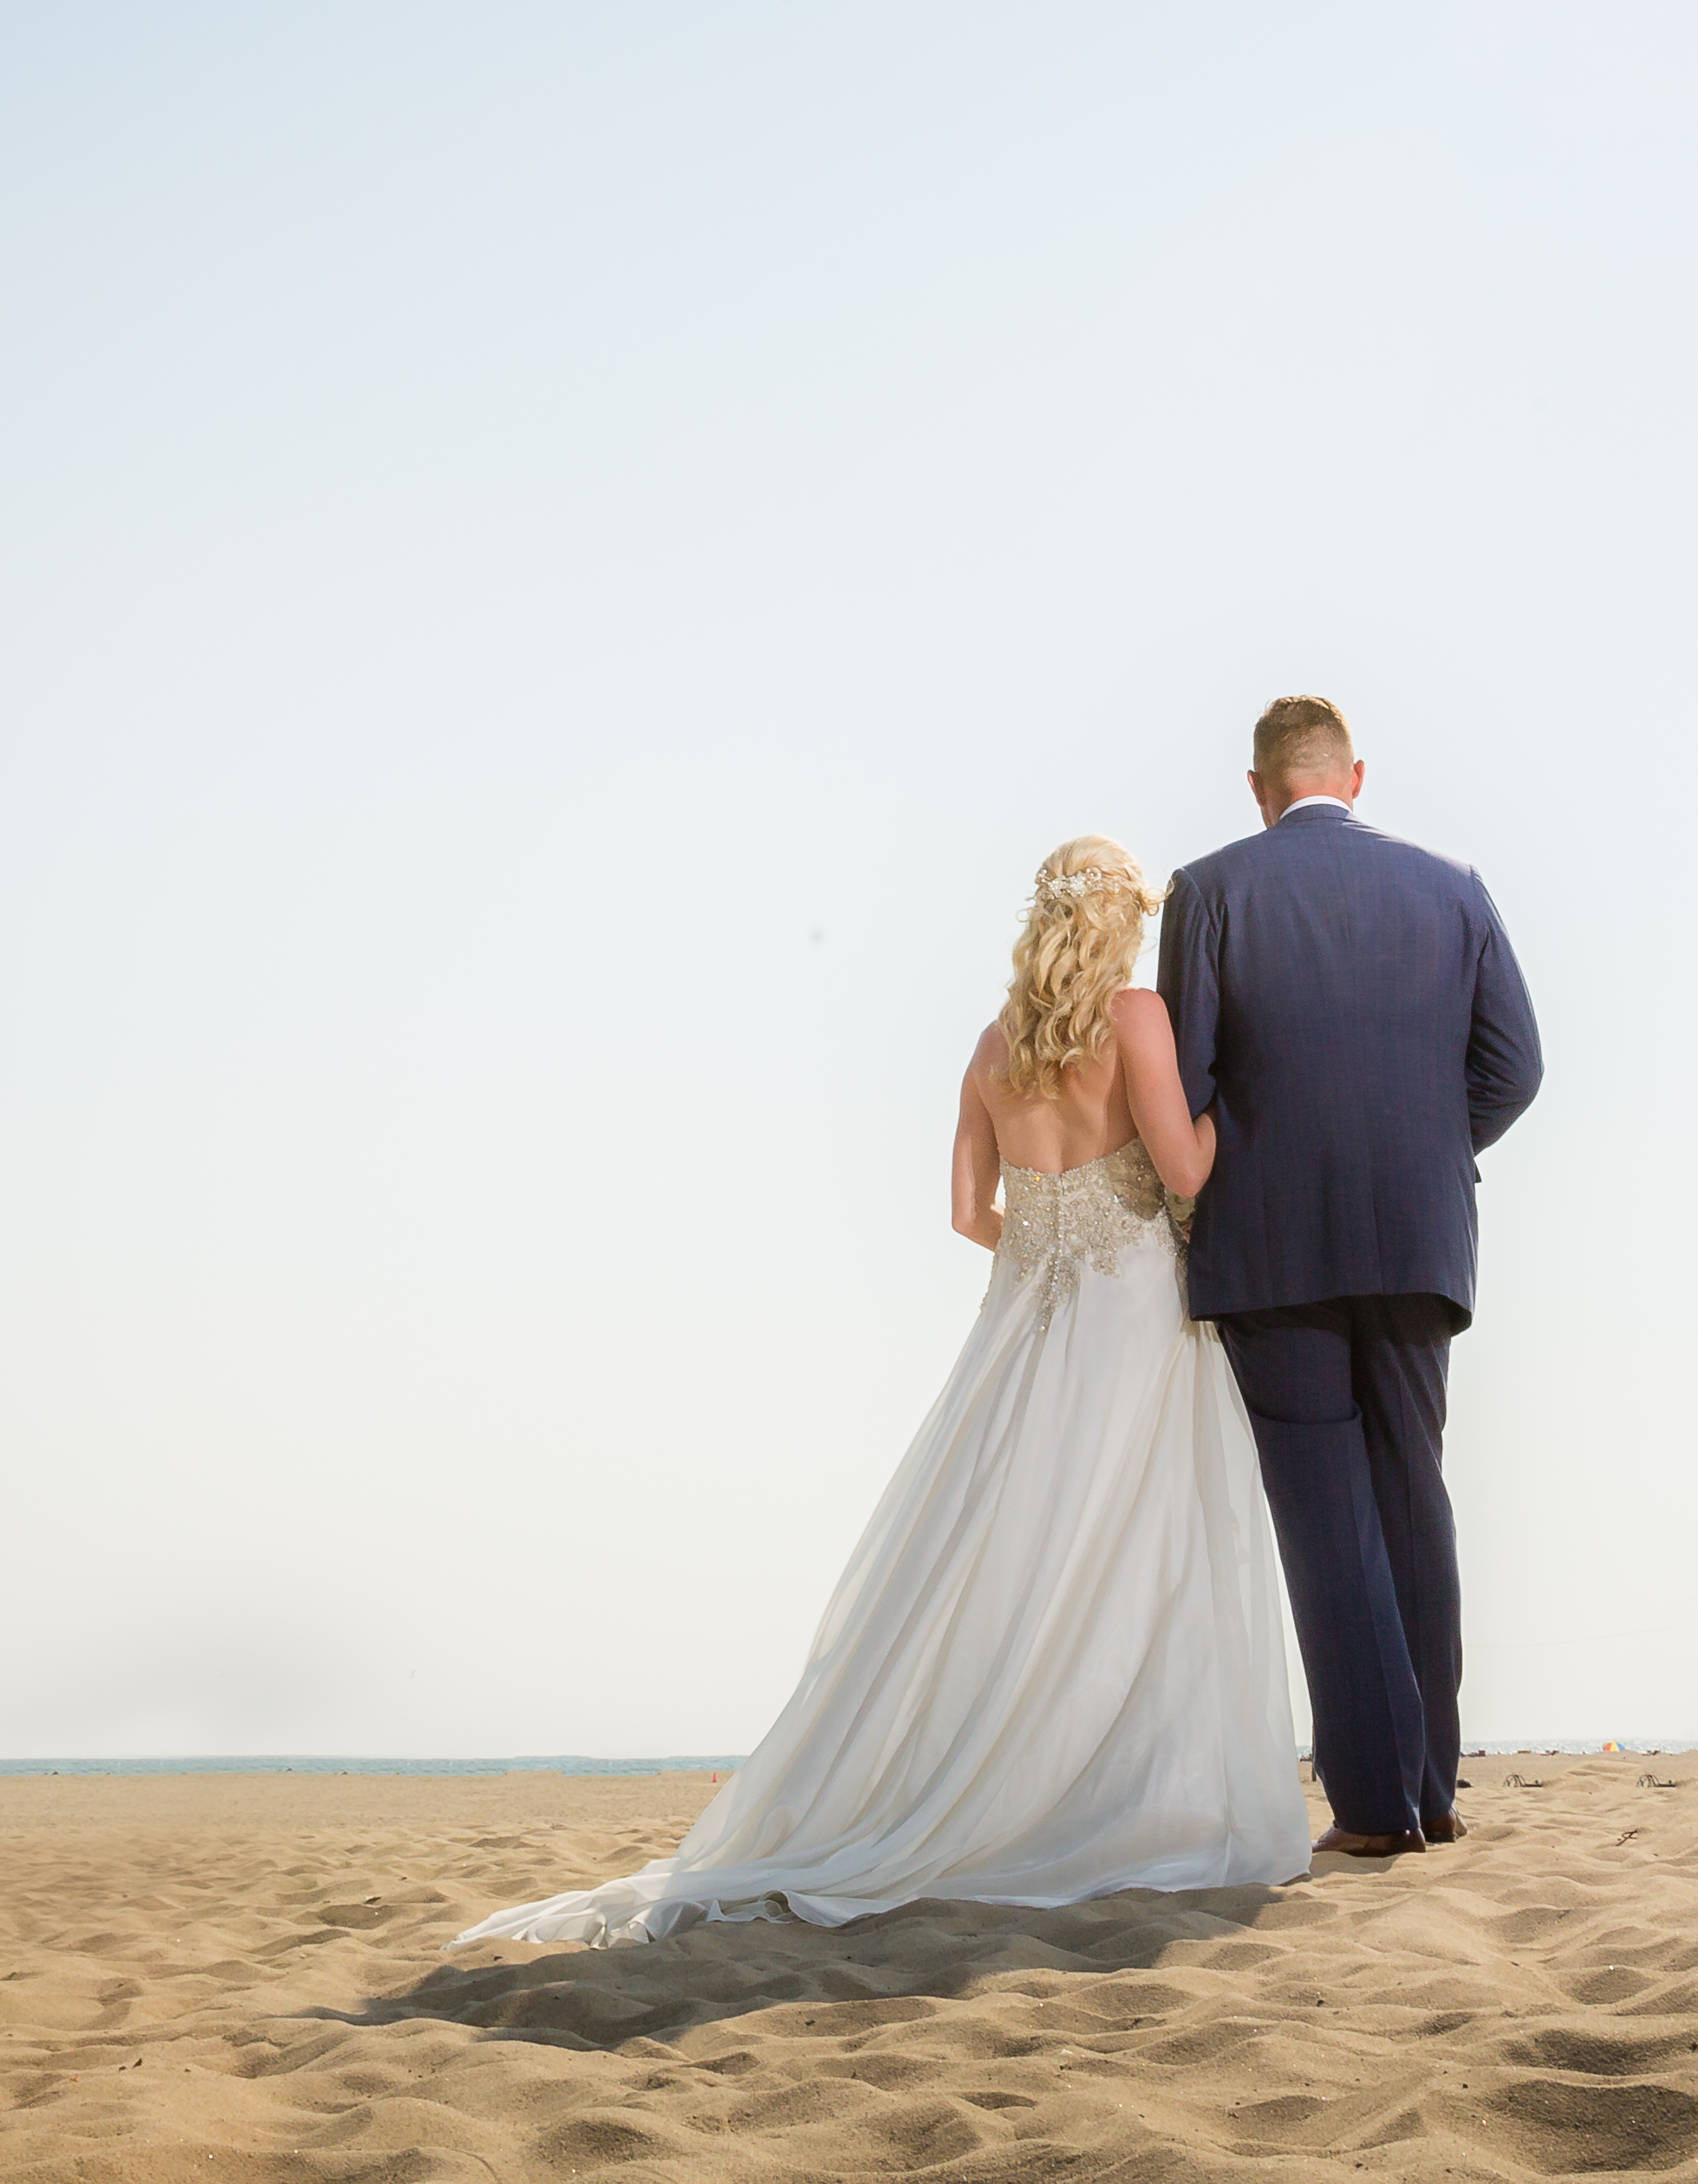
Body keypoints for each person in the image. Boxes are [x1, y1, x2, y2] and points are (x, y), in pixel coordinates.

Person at [458, 835, 1308, 1947]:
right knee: (1137, 1541)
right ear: (1116, 925)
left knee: (1008, 1541)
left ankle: (1000, 1777)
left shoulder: (994, 1046)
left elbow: (966, 1212)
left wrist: (1047, 1244)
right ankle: (1111, 1795)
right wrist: (1237, 1111)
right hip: (1136, 1306)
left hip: (1027, 1321)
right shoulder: (1136, 1018)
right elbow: (1185, 1172)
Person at [1159, 696, 1542, 1856]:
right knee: (1411, 1501)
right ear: (1354, 774)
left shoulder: (1209, 887)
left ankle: (1377, 1809)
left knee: (1327, 1522)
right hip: (1417, 1237)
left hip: (1270, 1247)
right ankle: (1430, 1785)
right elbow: (1514, 1068)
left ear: (1257, 783)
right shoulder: (1453, 884)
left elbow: (1181, 1075)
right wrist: (1424, 1150)